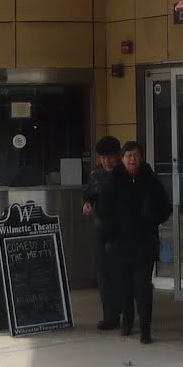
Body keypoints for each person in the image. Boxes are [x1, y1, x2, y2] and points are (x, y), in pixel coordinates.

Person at [97, 139, 172, 343]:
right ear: (122, 159)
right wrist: (108, 238)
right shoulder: (113, 182)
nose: (132, 159)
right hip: (120, 244)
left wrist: (151, 217)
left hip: (144, 243)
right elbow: (104, 212)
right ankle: (127, 321)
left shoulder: (151, 180)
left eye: (136, 155)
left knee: (142, 287)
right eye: (128, 155)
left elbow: (166, 208)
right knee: (124, 287)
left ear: (141, 158)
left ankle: (145, 328)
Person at [82, 135, 123, 329]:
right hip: (101, 228)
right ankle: (110, 316)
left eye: (110, 157)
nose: (107, 161)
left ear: (118, 156)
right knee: (104, 273)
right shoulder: (96, 175)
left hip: (123, 230)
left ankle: (127, 311)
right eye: (103, 157)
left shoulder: (125, 174)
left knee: (122, 272)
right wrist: (88, 203)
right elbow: (89, 194)